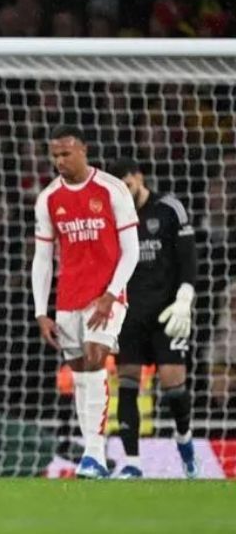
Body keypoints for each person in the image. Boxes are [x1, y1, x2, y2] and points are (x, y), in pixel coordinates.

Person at [31, 125, 139, 479]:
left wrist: (112, 293)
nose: (60, 161)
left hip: (107, 295)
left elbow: (131, 250)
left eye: (66, 153)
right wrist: (40, 312)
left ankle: (93, 454)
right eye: (55, 156)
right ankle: (93, 454)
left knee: (96, 358)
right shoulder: (48, 198)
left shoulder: (112, 188)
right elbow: (43, 259)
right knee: (79, 376)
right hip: (68, 299)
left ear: (84, 150)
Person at [107, 158, 199, 478]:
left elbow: (188, 259)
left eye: (127, 186)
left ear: (139, 178)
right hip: (130, 314)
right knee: (128, 383)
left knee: (174, 385)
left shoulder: (169, 208)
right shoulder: (115, 216)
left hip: (167, 311)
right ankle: (132, 462)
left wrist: (185, 297)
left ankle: (185, 440)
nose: (123, 194)